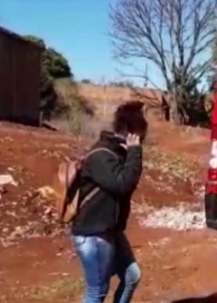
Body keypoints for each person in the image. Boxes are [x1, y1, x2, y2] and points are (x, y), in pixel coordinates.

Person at [70, 101, 148, 303]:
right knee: (96, 292)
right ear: (133, 133)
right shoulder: (102, 155)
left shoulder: (118, 153)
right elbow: (122, 184)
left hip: (109, 229)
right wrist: (135, 152)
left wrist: (131, 153)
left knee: (131, 276)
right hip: (93, 233)